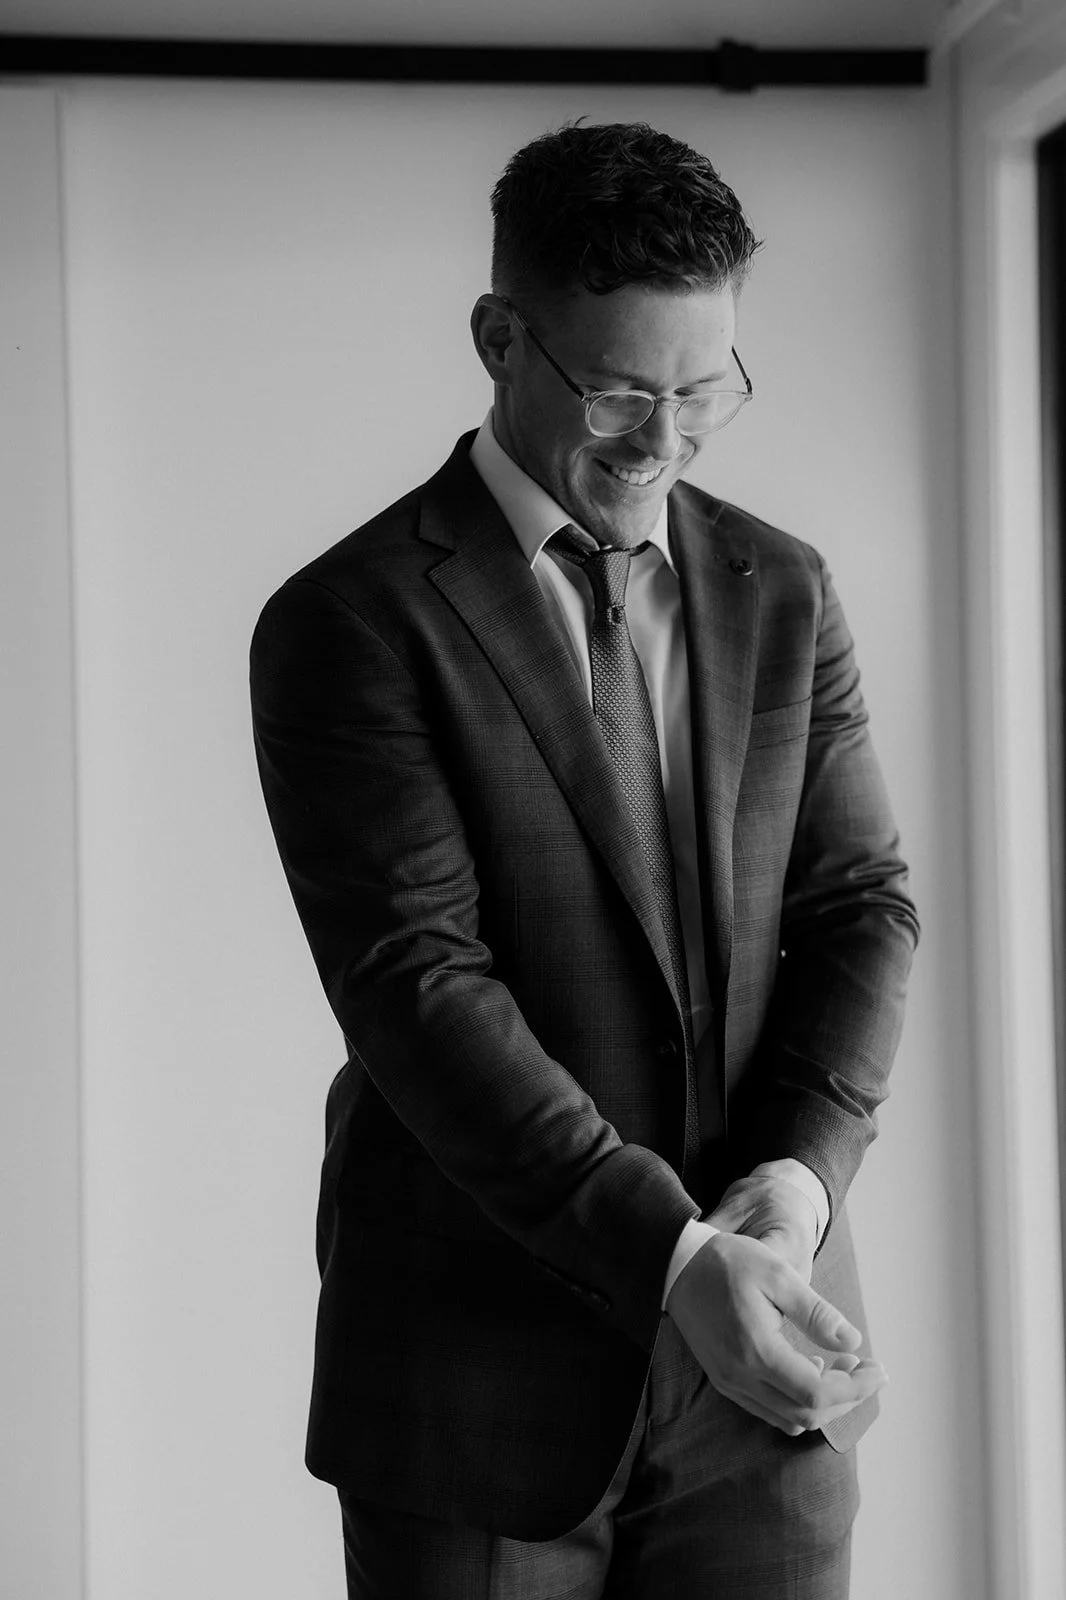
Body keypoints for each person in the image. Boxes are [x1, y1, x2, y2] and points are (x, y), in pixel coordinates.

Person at [250, 120, 919, 1599]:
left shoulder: (783, 590)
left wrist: (797, 1186)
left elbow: (860, 908)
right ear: (499, 338)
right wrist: (676, 1261)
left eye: (705, 389)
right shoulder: (349, 621)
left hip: (774, 1352)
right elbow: (419, 987)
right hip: (478, 1360)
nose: (664, 440)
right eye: (621, 390)